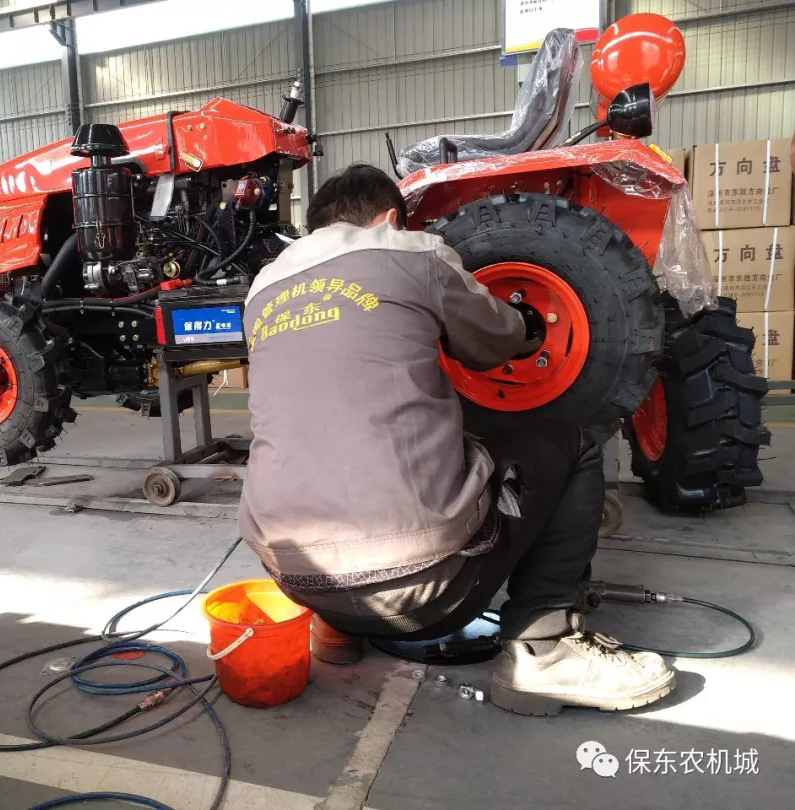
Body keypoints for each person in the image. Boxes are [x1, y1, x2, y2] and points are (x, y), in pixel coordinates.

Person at [239, 163, 675, 716]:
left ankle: (335, 631)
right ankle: (544, 650)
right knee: (573, 444)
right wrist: (528, 329)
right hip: (422, 591)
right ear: (390, 219)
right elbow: (495, 340)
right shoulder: (412, 253)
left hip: (294, 579)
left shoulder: (263, 289)